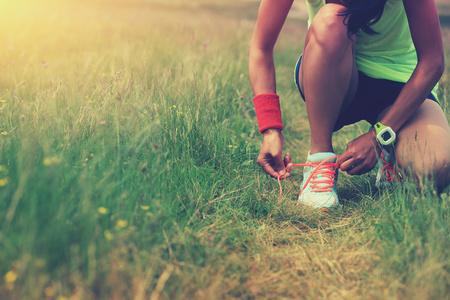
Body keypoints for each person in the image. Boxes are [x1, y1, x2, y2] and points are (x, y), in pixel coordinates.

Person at [249, 0, 450, 209]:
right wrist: (270, 129)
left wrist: (378, 136)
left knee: (435, 168)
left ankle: (391, 155)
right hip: (334, 68)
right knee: (332, 18)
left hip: (400, 84)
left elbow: (432, 62)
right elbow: (261, 47)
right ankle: (319, 158)